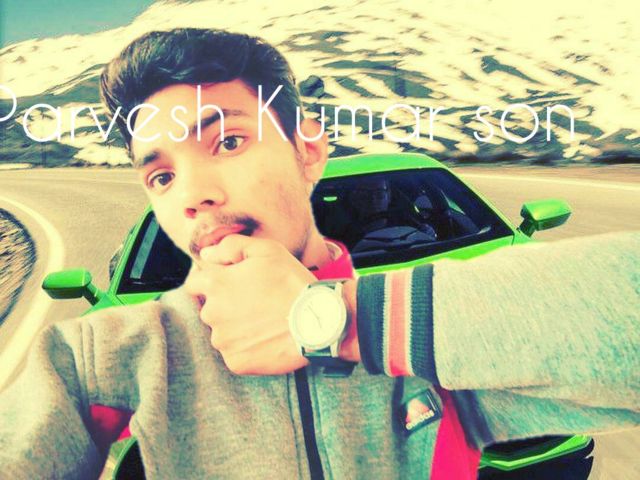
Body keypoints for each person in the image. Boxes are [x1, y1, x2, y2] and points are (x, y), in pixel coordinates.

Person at [0, 27, 638, 480]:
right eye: (162, 176)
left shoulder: (431, 341)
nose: (193, 196)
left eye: (227, 143)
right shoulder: (100, 357)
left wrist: (342, 319)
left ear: (307, 152)